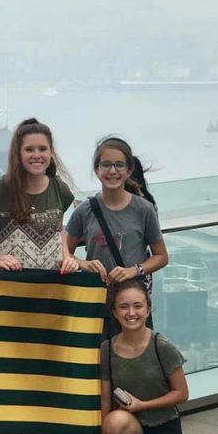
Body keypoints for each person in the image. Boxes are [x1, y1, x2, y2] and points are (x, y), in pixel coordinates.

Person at [0, 118, 77, 434]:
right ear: (17, 153)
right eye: (29, 149)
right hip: (4, 302)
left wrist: (68, 256)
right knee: (3, 381)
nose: (37, 155)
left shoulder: (60, 191)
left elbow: (61, 234)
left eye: (42, 149)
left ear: (51, 153)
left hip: (47, 303)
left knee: (37, 383)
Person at [85, 280, 189, 434]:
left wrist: (142, 405)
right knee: (114, 422)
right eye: (123, 306)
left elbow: (182, 393)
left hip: (162, 427)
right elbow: (105, 401)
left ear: (148, 310)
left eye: (138, 306)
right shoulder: (107, 349)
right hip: (128, 429)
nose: (131, 313)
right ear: (114, 312)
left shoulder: (162, 346)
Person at [64, 136, 169, 336]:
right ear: (97, 170)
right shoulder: (84, 211)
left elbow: (161, 256)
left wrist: (134, 270)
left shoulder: (143, 209)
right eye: (106, 165)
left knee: (136, 358)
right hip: (96, 300)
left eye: (119, 165)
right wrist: (83, 264)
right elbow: (64, 252)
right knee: (99, 359)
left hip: (132, 303)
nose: (113, 171)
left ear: (129, 170)